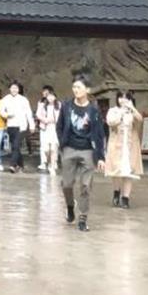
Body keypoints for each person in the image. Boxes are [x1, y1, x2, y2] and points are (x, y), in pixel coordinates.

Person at [56, 76, 106, 231]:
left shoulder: (93, 110)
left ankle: (83, 218)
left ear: (87, 90)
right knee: (66, 184)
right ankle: (70, 206)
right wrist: (62, 144)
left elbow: (99, 134)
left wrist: (101, 157)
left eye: (79, 87)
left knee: (85, 185)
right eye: (74, 87)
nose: (76, 90)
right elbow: (59, 126)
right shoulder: (66, 106)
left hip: (87, 150)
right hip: (69, 148)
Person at [105, 90, 144, 208]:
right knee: (116, 171)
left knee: (128, 172)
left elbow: (140, 120)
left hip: (130, 146)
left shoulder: (132, 112)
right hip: (117, 145)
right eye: (121, 97)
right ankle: (116, 193)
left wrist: (132, 109)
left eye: (126, 98)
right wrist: (121, 114)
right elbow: (111, 122)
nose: (123, 100)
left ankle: (125, 198)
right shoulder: (113, 111)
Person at [0, 82, 34, 174]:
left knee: (16, 145)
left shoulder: (23, 100)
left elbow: (28, 113)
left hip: (21, 126)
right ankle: (20, 164)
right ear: (10, 89)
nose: (14, 90)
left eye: (16, 88)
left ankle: (12, 165)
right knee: (15, 147)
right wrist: (7, 115)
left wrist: (32, 125)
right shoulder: (6, 99)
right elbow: (1, 111)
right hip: (11, 125)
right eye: (12, 88)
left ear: (18, 90)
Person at [36, 85, 61, 174]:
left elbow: (60, 116)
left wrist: (54, 120)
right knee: (45, 148)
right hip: (45, 127)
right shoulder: (42, 104)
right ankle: (45, 161)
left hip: (54, 128)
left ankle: (53, 163)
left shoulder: (58, 105)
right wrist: (45, 120)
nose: (49, 97)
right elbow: (38, 114)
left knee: (54, 147)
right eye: (45, 93)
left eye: (51, 95)